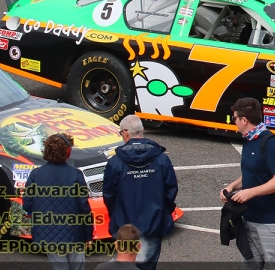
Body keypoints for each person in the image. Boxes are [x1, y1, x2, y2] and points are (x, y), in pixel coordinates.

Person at [221, 98, 275, 270]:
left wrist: (249, 193)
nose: (234, 121)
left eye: (234, 118)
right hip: (250, 218)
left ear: (244, 120)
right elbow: (254, 172)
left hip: (271, 222)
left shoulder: (270, 143)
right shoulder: (249, 140)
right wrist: (232, 186)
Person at [102, 115, 178, 270]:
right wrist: (163, 211)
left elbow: (109, 194)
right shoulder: (161, 159)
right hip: (154, 222)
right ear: (142, 130)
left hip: (125, 225)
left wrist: (116, 215)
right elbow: (171, 189)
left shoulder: (115, 162)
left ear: (125, 133)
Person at [22, 134, 93, 270]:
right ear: (67, 152)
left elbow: (27, 205)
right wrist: (88, 234)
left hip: (48, 234)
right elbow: (84, 207)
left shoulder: (36, 175)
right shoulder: (76, 174)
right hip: (75, 234)